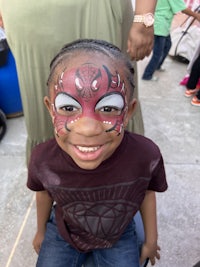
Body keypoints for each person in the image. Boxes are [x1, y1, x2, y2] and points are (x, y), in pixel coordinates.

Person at [27, 39, 168, 267]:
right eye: (68, 107)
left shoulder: (145, 155)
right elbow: (43, 194)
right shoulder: (43, 159)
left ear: (129, 111)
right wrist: (40, 231)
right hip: (63, 233)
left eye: (109, 108)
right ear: (50, 109)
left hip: (118, 234)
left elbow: (147, 193)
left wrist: (151, 241)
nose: (88, 128)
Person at [0, 0, 157, 163]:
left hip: (99, 9)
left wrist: (144, 19)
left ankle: (123, 178)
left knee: (108, 98)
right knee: (46, 112)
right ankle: (49, 177)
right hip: (26, 15)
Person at [142, 0, 200, 81]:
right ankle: (147, 75)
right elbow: (183, 8)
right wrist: (196, 16)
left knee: (168, 45)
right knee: (157, 53)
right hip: (160, 24)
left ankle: (158, 65)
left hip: (162, 23)